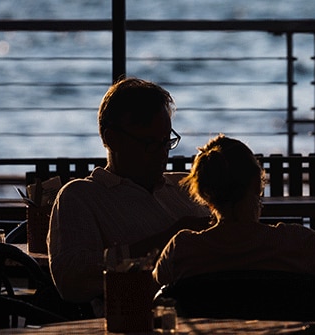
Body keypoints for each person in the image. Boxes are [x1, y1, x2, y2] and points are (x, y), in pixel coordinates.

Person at [152, 134, 315, 308]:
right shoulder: (299, 244)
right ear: (257, 183)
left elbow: (149, 302)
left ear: (203, 194)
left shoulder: (181, 249)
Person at [47, 77, 211, 314]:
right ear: (111, 138)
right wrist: (167, 242)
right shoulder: (80, 197)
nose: (162, 154)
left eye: (166, 142)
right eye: (149, 143)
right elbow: (70, 280)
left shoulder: (186, 186)